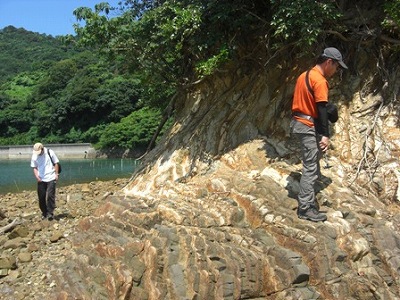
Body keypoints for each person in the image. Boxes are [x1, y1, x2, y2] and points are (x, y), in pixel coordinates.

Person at [290, 47, 347, 222]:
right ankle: (305, 208)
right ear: (329, 62)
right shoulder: (320, 81)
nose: (336, 71)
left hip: (298, 122)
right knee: (310, 166)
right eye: (336, 67)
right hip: (308, 125)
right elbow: (321, 109)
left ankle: (309, 198)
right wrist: (324, 135)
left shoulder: (304, 75)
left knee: (312, 161)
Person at [30, 143, 60, 220]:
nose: (38, 154)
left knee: (50, 195)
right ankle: (44, 212)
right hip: (41, 179)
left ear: (42, 149)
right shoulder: (34, 156)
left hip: (51, 177)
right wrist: (37, 176)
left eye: (39, 152)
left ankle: (50, 212)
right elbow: (34, 167)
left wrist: (56, 174)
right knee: (41, 197)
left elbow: (56, 163)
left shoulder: (50, 152)